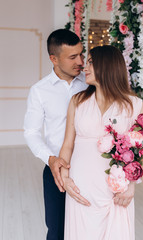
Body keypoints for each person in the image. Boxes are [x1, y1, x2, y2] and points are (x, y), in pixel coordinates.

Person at [58, 45, 143, 240]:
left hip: (116, 191)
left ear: (107, 66)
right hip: (81, 187)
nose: (85, 67)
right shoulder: (77, 101)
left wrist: (131, 185)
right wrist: (65, 178)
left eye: (91, 62)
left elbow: (141, 150)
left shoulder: (134, 105)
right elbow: (67, 145)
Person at [23, 29, 88, 240]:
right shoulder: (39, 90)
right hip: (56, 170)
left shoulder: (91, 84)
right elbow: (31, 132)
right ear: (54, 58)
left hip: (90, 168)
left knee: (89, 227)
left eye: (81, 54)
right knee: (57, 230)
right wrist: (50, 159)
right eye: (72, 57)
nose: (80, 61)